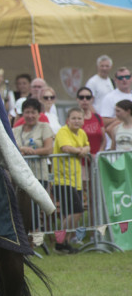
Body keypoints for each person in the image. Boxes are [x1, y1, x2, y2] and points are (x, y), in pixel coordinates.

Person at [52, 107, 90, 252]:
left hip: (76, 180)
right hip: (62, 180)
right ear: (68, 120)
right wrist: (80, 151)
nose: (76, 121)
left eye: (79, 118)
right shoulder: (63, 131)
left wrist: (84, 150)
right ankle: (60, 242)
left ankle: (64, 243)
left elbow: (87, 146)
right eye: (73, 118)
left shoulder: (82, 133)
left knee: (71, 213)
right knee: (77, 211)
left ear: (83, 120)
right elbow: (66, 148)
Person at [15, 98, 54, 185]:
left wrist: (32, 152)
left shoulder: (44, 127)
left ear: (39, 114)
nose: (30, 115)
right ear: (23, 113)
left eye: (33, 112)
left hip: (39, 174)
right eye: (27, 112)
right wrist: (22, 149)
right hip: (20, 174)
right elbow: (10, 148)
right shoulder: (15, 130)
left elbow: (48, 149)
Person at [98, 66, 132, 132]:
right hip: (117, 137)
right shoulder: (109, 97)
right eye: (120, 78)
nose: (124, 80)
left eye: (127, 77)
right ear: (115, 80)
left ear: (131, 78)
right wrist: (123, 118)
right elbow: (103, 122)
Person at [75, 86, 107, 155]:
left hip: (97, 158)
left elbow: (104, 139)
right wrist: (88, 156)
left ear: (92, 99)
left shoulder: (97, 117)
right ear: (77, 99)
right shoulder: (74, 119)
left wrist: (99, 154)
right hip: (81, 159)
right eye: (81, 97)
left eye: (88, 97)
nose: (85, 100)